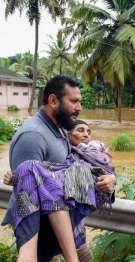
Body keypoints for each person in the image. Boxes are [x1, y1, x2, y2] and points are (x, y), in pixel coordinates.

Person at [1, 76, 116, 262]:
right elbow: (25, 192)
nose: (79, 108)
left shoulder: (61, 129)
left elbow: (74, 170)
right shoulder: (33, 136)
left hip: (67, 226)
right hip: (43, 233)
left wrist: (107, 176)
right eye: (74, 101)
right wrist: (29, 246)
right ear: (53, 101)